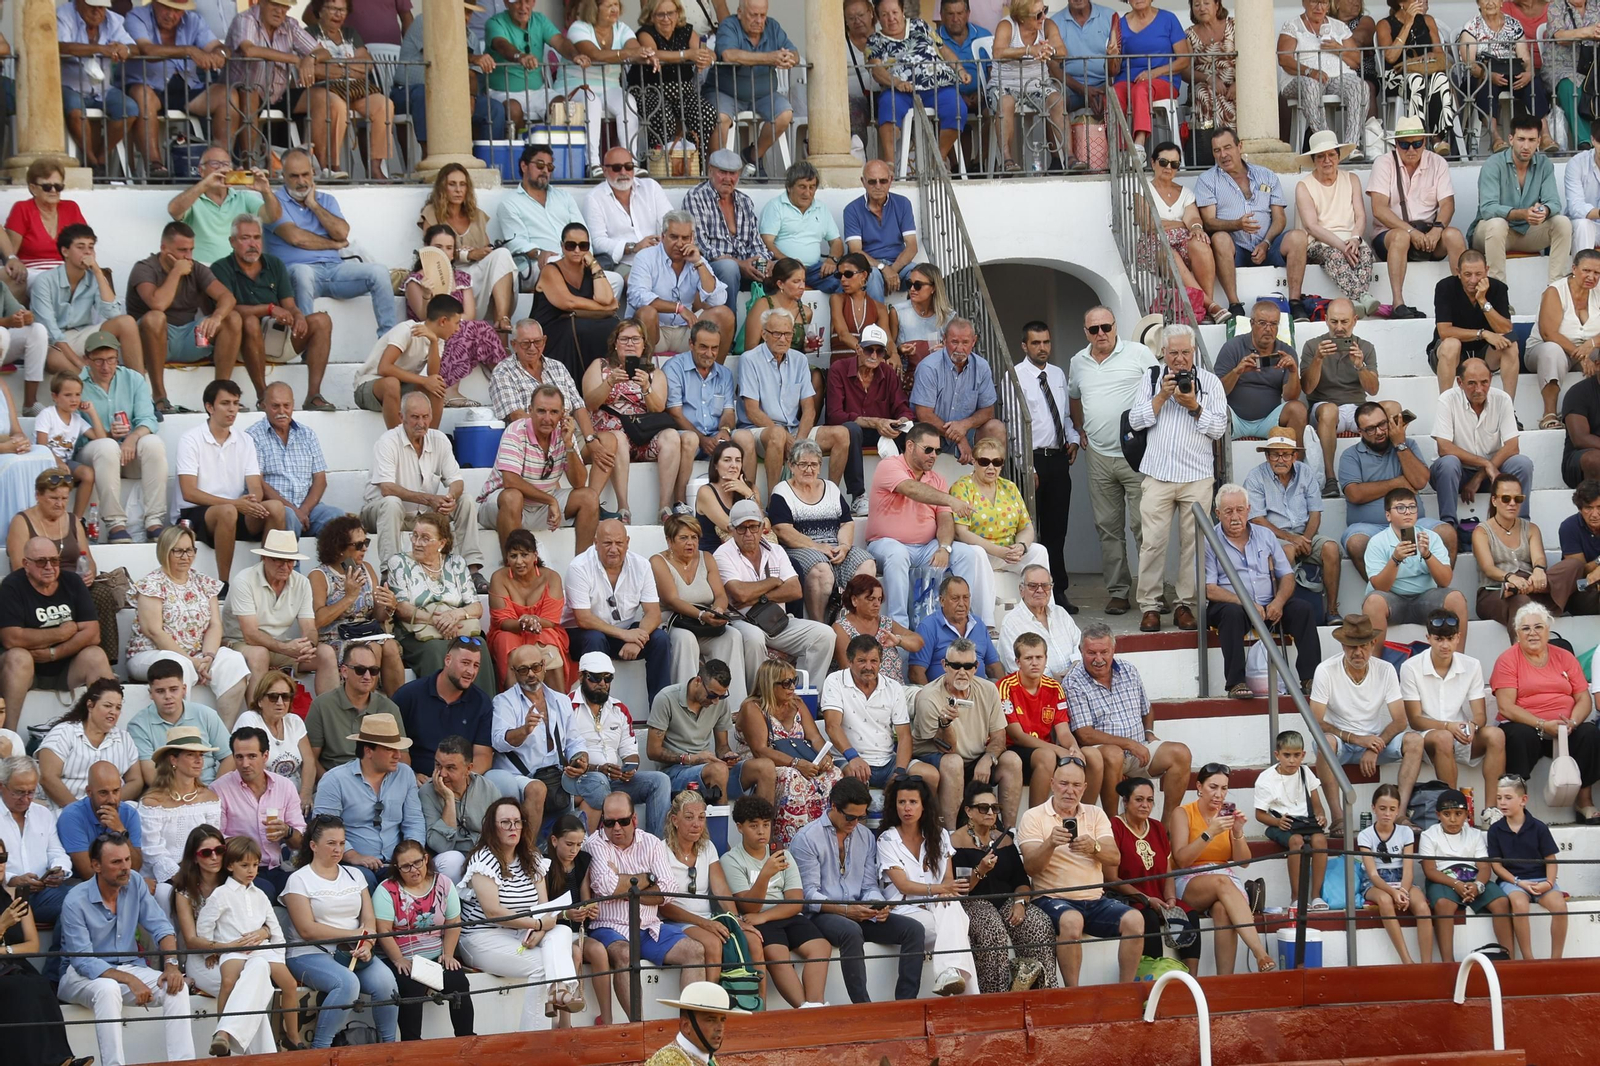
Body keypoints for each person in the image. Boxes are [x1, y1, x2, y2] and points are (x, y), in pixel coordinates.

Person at [57, 834, 194, 1066]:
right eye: (116, 862)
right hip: (79, 976)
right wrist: (129, 979)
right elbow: (83, 961)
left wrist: (171, 965)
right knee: (108, 988)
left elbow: (161, 926)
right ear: (96, 865)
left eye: (127, 859)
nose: (125, 867)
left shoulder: (135, 882)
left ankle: (183, 1063)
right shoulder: (75, 900)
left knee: (176, 988)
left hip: (128, 968)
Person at [789, 776, 925, 1001]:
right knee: (850, 931)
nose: (855, 823)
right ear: (833, 806)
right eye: (850, 817)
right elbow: (808, 895)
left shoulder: (865, 836)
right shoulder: (807, 838)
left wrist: (878, 905)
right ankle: (863, 1006)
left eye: (861, 817)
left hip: (858, 911)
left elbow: (869, 885)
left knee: (914, 930)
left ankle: (906, 1004)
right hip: (821, 914)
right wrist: (845, 910)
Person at [1129, 324, 1226, 633]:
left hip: (1197, 477)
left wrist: (1194, 406)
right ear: (1164, 353)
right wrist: (1161, 397)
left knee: (1193, 545)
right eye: (1174, 353)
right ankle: (1150, 606)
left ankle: (1186, 605)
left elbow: (1219, 429)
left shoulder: (1210, 382)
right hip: (1158, 475)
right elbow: (1134, 420)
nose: (1180, 359)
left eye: (1185, 352)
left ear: (1193, 351)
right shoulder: (1151, 378)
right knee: (1152, 544)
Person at [1017, 756, 1140, 985]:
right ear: (1052, 784)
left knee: (1135, 919)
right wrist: (1050, 844)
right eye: (1064, 783)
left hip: (1094, 899)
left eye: (1076, 785)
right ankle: (1073, 992)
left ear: (1084, 788)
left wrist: (1094, 847)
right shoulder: (1033, 816)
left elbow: (1114, 857)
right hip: (1052, 898)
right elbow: (1031, 867)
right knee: (1072, 921)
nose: (1069, 791)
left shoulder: (1095, 813)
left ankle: (1126, 990)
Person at [584, 791, 709, 1018]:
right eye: (609, 823)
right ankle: (638, 1026)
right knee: (624, 954)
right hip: (609, 927)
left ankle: (690, 1024)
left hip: (649, 927)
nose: (616, 828)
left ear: (634, 819)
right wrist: (648, 879)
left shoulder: (650, 842)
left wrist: (625, 886)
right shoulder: (595, 843)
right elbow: (606, 887)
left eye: (623, 821)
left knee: (695, 950)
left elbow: (668, 890)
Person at [1067, 307, 1156, 615]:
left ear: (1115, 326)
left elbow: (1159, 389)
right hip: (1099, 457)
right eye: (1094, 329)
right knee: (1108, 528)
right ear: (1086, 332)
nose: (1101, 333)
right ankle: (1118, 592)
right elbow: (1074, 397)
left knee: (1144, 526)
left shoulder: (1139, 354)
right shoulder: (1078, 362)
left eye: (1106, 326)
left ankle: (1152, 594)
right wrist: (1080, 429)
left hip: (1137, 455)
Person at [282, 815, 400, 1046]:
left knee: (387, 983)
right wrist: (354, 935)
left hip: (353, 950)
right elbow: (307, 930)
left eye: (342, 843)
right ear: (313, 845)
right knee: (347, 983)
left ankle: (390, 1049)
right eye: (331, 843)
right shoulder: (298, 879)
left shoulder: (355, 874)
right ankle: (321, 1050)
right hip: (308, 953)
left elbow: (369, 919)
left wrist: (367, 944)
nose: (338, 849)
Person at [864, 421, 987, 627]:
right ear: (910, 446)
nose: (933, 455)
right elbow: (912, 489)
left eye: (937, 451)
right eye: (928, 449)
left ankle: (962, 620)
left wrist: (944, 547)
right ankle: (898, 625)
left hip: (925, 548)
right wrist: (950, 500)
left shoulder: (937, 479)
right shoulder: (889, 466)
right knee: (897, 553)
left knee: (966, 553)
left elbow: (945, 519)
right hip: (885, 544)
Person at [1205, 483, 1322, 698]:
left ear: (1249, 510)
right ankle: (1236, 683)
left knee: (1303, 609)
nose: (1235, 517)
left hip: (1269, 606)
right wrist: (1246, 603)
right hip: (1233, 606)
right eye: (1228, 511)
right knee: (1231, 614)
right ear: (1217, 513)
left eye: (1240, 510)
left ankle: (1310, 678)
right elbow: (1210, 589)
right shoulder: (1209, 540)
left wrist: (1278, 602)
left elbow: (1287, 576)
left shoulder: (1265, 535)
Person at [264, 150, 397, 337]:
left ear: (313, 173)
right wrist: (333, 245)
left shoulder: (326, 200)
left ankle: (389, 341)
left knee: (379, 272)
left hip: (335, 270)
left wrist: (314, 205)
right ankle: (306, 343)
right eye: (294, 176)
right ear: (283, 176)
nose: (301, 181)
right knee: (302, 273)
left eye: (305, 174)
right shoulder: (273, 203)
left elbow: (342, 232)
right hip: (298, 273)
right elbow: (296, 238)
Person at [1310, 615, 1426, 830]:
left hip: (1374, 742)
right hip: (1341, 743)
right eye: (1352, 646)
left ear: (1373, 643)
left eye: (1363, 646)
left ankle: (1399, 814)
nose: (1358, 652)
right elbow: (1315, 721)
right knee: (1325, 742)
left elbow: (1400, 720)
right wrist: (1356, 739)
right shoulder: (1326, 670)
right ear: (1343, 646)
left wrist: (1374, 746)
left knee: (1415, 741)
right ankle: (1338, 818)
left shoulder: (1385, 669)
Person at [717, 499, 852, 681]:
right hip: (742, 621)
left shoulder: (776, 550)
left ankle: (808, 692)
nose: (748, 533)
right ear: (731, 529)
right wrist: (773, 581)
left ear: (762, 527)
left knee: (824, 634)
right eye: (742, 528)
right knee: (754, 637)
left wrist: (757, 597)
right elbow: (740, 593)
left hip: (776, 621)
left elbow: (795, 590)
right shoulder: (723, 554)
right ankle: (757, 694)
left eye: (753, 527)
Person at [1067, 623, 1193, 815]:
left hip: (1139, 749)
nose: (1098, 659)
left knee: (1181, 753)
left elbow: (1146, 708)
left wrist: (1148, 732)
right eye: (1091, 653)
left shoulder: (1128, 669)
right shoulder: (1074, 682)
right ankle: (1112, 824)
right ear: (1081, 651)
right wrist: (1128, 744)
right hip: (1103, 755)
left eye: (1104, 652)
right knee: (1114, 754)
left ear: (1113, 649)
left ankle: (1167, 825)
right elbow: (1085, 735)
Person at [1491, 602, 1600, 822]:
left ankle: (1584, 802)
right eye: (1525, 628)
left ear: (1548, 630)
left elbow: (1583, 698)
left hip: (1565, 729)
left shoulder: (1565, 657)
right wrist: (1541, 724)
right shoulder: (1507, 660)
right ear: (1517, 633)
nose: (1532, 633)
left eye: (1538, 627)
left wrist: (1573, 722)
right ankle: (1517, 805)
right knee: (1519, 735)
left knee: (1589, 734)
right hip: (1528, 726)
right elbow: (1506, 706)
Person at [720, 795, 833, 1007]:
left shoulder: (783, 855)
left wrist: (764, 917)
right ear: (739, 827)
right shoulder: (731, 860)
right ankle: (804, 1008)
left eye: (766, 824)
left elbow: (796, 902)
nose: (761, 831)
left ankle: (815, 1005)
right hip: (759, 919)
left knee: (821, 947)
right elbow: (748, 906)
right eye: (754, 826)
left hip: (778, 916)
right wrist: (765, 874)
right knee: (776, 953)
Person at [364, 392, 486, 587]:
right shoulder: (387, 441)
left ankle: (472, 570)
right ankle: (390, 573)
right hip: (380, 513)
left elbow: (456, 481)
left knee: (465, 500)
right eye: (415, 417)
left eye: (425, 417)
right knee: (391, 503)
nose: (421, 423)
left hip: (423, 515)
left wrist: (450, 497)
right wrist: (430, 499)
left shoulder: (439, 440)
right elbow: (387, 488)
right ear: (401, 417)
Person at [1165, 763, 1276, 973]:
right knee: (1222, 882)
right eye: (1213, 787)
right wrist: (1210, 833)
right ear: (1199, 787)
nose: (1219, 794)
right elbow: (1182, 860)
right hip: (1190, 879)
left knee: (1223, 910)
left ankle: (1225, 980)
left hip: (1223, 879)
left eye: (1224, 788)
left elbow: (1243, 862)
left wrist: (1238, 832)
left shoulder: (1226, 813)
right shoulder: (1183, 813)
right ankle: (1259, 952)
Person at [127, 220, 245, 416]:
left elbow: (227, 297)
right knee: (155, 317)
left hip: (188, 336)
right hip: (153, 340)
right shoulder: (144, 268)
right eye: (182, 250)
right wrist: (176, 272)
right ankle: (159, 397)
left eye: (191, 250)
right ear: (164, 248)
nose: (188, 256)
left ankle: (221, 394)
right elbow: (158, 304)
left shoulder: (195, 268)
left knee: (232, 318)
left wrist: (216, 317)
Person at [875, 775, 979, 995]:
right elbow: (903, 886)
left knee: (952, 908)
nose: (907, 808)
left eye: (913, 802)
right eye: (902, 802)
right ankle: (962, 989)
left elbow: (948, 878)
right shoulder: (886, 839)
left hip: (936, 906)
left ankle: (948, 975)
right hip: (903, 910)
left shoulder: (940, 835)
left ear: (923, 806)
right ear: (895, 806)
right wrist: (941, 890)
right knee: (958, 926)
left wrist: (945, 892)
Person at [7, 468, 117, 669]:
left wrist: (90, 573)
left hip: (72, 584)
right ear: (38, 495)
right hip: (38, 584)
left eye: (64, 498)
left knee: (102, 594)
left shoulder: (73, 520)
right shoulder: (21, 521)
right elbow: (19, 567)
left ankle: (107, 662)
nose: (60, 503)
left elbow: (88, 558)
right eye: (53, 498)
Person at [0, 538, 112, 731]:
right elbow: (12, 638)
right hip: (26, 670)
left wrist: (54, 653)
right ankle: (8, 737)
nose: (49, 567)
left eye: (54, 560)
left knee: (96, 655)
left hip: (66, 666)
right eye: (41, 561)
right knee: (18, 657)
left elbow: (92, 634)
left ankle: (104, 735)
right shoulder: (12, 585)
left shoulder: (72, 581)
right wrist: (61, 633)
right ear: (26, 564)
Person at [177, 379, 284, 581]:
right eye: (225, 403)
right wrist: (235, 504)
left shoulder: (245, 439)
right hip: (197, 512)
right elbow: (189, 492)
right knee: (227, 511)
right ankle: (223, 583)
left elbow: (255, 486)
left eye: (236, 403)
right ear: (210, 407)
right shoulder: (190, 439)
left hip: (235, 509)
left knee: (276, 507)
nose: (232, 409)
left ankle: (268, 579)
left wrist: (251, 502)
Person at [583, 319, 687, 525]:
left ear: (643, 344)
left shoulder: (654, 373)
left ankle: (664, 508)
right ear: (615, 343)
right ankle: (624, 508)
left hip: (643, 438)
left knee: (671, 436)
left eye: (635, 339)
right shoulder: (600, 366)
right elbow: (590, 403)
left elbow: (658, 408)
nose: (630, 344)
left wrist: (646, 387)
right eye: (624, 339)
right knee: (618, 437)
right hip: (612, 438)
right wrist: (610, 382)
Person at [1198, 128, 1307, 318]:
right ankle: (1234, 304)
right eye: (1217, 150)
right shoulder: (1207, 180)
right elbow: (1209, 223)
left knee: (1298, 237)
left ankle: (1295, 303)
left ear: (1239, 146)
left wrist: (1266, 243)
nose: (1223, 155)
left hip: (1268, 246)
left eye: (1227, 147)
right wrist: (1237, 224)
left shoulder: (1266, 175)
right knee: (1220, 238)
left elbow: (1280, 218)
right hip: (1236, 249)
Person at [373, 838, 474, 1042]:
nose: (414, 870)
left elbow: (453, 921)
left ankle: (466, 1041)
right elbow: (383, 930)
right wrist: (399, 959)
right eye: (406, 866)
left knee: (458, 981)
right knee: (411, 987)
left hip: (436, 955)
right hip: (401, 956)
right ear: (397, 868)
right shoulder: (387, 890)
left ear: (426, 859)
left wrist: (448, 954)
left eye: (417, 862)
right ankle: (411, 1044)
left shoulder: (443, 883)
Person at [1339, 401, 1455, 579]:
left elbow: (1420, 481)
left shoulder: (1408, 445)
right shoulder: (1350, 455)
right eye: (1370, 429)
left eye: (1382, 424)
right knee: (1356, 543)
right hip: (1370, 528)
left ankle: (1437, 588)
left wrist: (1400, 444)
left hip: (1411, 525)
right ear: (1360, 432)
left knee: (1448, 533)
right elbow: (1355, 494)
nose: (1379, 432)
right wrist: (1399, 482)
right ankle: (1382, 590)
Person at [29, 225, 146, 401]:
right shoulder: (45, 281)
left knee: (127, 322)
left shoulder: (94, 278)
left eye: (91, 247)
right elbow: (51, 331)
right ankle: (95, 393)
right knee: (53, 359)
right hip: (52, 343)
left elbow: (114, 313)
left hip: (81, 334)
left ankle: (141, 394)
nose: (87, 252)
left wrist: (98, 272)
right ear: (65, 251)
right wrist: (80, 363)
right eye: (80, 247)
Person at [480, 384, 601, 553]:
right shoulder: (515, 431)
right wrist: (550, 500)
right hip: (502, 507)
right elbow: (510, 481)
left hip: (542, 506)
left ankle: (582, 565)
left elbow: (579, 483)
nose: (547, 418)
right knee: (512, 497)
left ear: (562, 414)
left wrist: (569, 445)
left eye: (554, 412)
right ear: (530, 411)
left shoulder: (565, 433)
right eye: (541, 411)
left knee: (589, 497)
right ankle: (512, 564)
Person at [1403, 610, 1506, 805]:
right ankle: (1451, 808)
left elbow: (1480, 714)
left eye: (1450, 639)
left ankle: (1492, 809)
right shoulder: (1411, 667)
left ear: (1458, 637)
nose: (1445, 645)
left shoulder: (1472, 665)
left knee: (1496, 735)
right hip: (1427, 737)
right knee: (1444, 737)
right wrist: (1448, 726)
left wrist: (1473, 725)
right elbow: (1415, 720)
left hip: (1460, 733)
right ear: (1428, 638)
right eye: (1438, 639)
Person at [565, 519, 676, 700]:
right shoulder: (579, 567)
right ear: (596, 543)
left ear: (627, 542)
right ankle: (596, 705)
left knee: (660, 639)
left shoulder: (641, 565)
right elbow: (583, 619)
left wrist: (637, 640)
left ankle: (660, 709)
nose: (614, 549)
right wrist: (625, 635)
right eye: (607, 543)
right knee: (595, 637)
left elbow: (654, 613)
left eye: (619, 543)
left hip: (623, 633)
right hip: (584, 635)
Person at [1368, 116, 1466, 319]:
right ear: (1396, 144)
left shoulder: (1437, 162)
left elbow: (1448, 204)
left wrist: (1437, 229)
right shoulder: (1383, 163)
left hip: (1429, 234)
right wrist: (1410, 231)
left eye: (1417, 143)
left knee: (1454, 236)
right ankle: (1398, 303)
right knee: (1400, 237)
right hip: (1391, 235)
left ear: (1425, 141)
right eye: (1404, 144)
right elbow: (1379, 209)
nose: (1411, 149)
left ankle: (1465, 300)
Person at [311, 713, 423, 889]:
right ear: (369, 751)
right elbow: (323, 829)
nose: (398, 755)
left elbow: (414, 821)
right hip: (350, 863)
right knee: (364, 878)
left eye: (398, 749)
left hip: (397, 861)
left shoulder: (405, 774)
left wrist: (412, 854)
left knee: (422, 875)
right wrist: (353, 856)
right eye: (390, 749)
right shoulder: (334, 780)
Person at [914, 638, 1019, 825]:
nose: (962, 672)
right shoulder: (929, 696)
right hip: (940, 759)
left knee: (1012, 760)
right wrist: (945, 724)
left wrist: (988, 759)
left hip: (975, 759)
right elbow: (948, 749)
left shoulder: (988, 689)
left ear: (976, 667)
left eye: (968, 666)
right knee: (953, 762)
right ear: (945, 665)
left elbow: (999, 738)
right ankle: (951, 833)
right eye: (956, 666)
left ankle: (1010, 832)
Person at [738, 659, 842, 848]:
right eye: (786, 683)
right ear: (770, 684)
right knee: (792, 777)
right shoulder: (753, 707)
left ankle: (828, 840)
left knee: (834, 773)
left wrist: (825, 756)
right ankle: (790, 843)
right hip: (765, 764)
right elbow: (760, 749)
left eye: (794, 681)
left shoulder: (797, 703)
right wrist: (796, 763)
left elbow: (814, 737)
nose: (793, 687)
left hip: (800, 762)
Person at [74, 334, 167, 544]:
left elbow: (148, 419)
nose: (106, 366)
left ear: (118, 357)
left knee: (153, 443)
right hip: (94, 454)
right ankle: (115, 524)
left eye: (111, 359)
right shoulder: (78, 385)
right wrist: (107, 435)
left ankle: (154, 521)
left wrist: (132, 438)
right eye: (99, 360)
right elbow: (74, 434)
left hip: (128, 453)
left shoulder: (133, 379)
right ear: (87, 359)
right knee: (107, 447)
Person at [565, 652, 671, 835]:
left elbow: (630, 752)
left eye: (608, 678)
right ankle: (589, 845)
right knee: (599, 782)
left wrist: (629, 769)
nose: (602, 684)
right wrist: (598, 769)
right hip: (582, 779)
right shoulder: (567, 707)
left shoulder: (619, 709)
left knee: (660, 781)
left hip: (613, 778)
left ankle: (657, 844)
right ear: (581, 676)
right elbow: (563, 757)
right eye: (595, 678)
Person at [1244, 428, 1343, 622]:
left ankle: (1332, 611)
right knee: (1287, 551)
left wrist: (1305, 539)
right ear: (1267, 456)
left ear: (1294, 456)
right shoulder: (1255, 477)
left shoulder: (1305, 472)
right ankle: (1284, 612)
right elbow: (1257, 520)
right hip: (1272, 538)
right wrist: (1291, 539)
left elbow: (1315, 512)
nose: (1280, 459)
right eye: (1275, 454)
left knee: (1331, 548)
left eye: (1286, 454)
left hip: (1305, 535)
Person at [0, 842, 86, 1066]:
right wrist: (3, 924)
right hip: (8, 971)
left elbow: (32, 944)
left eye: (2, 858)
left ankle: (63, 1059)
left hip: (13, 964)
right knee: (21, 988)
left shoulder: (15, 896)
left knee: (41, 984)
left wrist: (4, 951)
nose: (0, 865)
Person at [404, 229, 511, 406]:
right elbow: (423, 316)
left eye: (449, 248)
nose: (444, 252)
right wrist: (427, 294)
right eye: (438, 247)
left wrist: (452, 321)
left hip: (455, 328)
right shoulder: (415, 280)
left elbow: (469, 314)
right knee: (461, 327)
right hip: (427, 333)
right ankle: (449, 388)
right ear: (427, 248)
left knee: (479, 327)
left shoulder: (461, 278)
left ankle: (505, 378)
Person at [770, 439, 875, 619]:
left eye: (814, 464)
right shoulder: (782, 491)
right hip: (800, 549)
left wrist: (844, 546)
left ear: (819, 466)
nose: (809, 469)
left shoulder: (831, 488)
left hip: (834, 547)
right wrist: (818, 547)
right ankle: (820, 623)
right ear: (791, 466)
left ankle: (849, 619)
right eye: (803, 464)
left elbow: (846, 523)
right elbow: (782, 530)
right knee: (821, 569)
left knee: (867, 563)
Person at [224, 530, 337, 695]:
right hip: (240, 644)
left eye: (290, 560)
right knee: (259, 654)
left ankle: (329, 711)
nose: (285, 566)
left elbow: (309, 628)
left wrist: (309, 646)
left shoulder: (302, 583)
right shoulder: (244, 580)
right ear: (264, 558)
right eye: (278, 560)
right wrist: (285, 648)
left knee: (326, 653)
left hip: (279, 645)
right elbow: (250, 635)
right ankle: (257, 711)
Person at [1110, 777, 1203, 974]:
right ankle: (1153, 975)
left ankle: (1192, 978)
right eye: (1139, 799)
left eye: (1150, 800)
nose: (1145, 805)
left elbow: (1167, 869)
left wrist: (1170, 898)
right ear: (1125, 801)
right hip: (1129, 898)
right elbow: (1112, 878)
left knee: (1190, 914)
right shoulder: (1114, 827)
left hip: (1159, 897)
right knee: (1149, 918)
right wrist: (1146, 899)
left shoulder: (1157, 827)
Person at [652, 514, 747, 704]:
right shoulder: (658, 561)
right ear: (669, 540)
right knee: (685, 639)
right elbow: (671, 599)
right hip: (674, 621)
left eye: (694, 537)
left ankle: (734, 707)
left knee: (732, 636)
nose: (690, 543)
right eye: (683, 538)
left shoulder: (707, 558)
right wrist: (702, 615)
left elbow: (720, 595)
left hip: (704, 624)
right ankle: (685, 703)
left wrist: (718, 610)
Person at [822, 635, 939, 790]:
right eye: (862, 661)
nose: (868, 667)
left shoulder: (893, 687)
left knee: (930, 775)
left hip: (888, 761)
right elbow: (832, 726)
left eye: (874, 661)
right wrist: (853, 757)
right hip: (848, 759)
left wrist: (900, 772)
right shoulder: (835, 681)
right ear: (850, 661)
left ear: (880, 662)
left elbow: (904, 736)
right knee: (852, 777)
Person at [225, 0, 332, 168]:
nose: (279, 11)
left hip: (278, 94)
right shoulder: (246, 19)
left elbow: (323, 52)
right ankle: (249, 165)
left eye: (284, 6)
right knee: (250, 91)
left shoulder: (290, 24)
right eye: (275, 4)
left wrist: (310, 59)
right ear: (261, 2)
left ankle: (320, 167)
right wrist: (294, 59)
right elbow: (249, 50)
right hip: (241, 94)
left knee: (322, 97)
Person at [648, 661, 775, 801]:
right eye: (712, 695)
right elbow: (653, 751)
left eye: (722, 696)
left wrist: (727, 755)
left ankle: (763, 816)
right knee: (718, 770)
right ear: (698, 681)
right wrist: (690, 758)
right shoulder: (666, 698)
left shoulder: (720, 702)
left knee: (766, 766)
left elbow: (722, 746)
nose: (716, 701)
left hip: (709, 769)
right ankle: (722, 815)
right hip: (675, 772)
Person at [300, 0, 397, 180]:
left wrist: (336, 67)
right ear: (320, 10)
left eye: (343, 10)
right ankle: (333, 165)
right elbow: (314, 70)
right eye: (333, 9)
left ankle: (376, 167)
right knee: (337, 106)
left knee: (384, 105)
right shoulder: (309, 33)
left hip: (354, 89)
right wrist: (351, 67)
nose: (338, 14)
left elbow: (367, 64)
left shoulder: (351, 34)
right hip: (324, 89)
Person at [488, 643, 580, 833]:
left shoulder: (561, 700)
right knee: (537, 789)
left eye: (535, 667)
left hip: (554, 774)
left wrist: (580, 757)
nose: (531, 674)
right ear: (514, 671)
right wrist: (524, 730)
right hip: (518, 775)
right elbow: (498, 741)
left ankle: (576, 844)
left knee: (595, 784)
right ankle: (528, 849)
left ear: (544, 665)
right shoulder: (504, 701)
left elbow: (574, 741)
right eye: (523, 670)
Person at [867, 0, 971, 166]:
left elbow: (943, 50)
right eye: (885, 15)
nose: (891, 18)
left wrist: (960, 70)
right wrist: (897, 82)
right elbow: (876, 70)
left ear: (902, 11)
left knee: (957, 108)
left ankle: (937, 159)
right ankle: (890, 163)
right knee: (888, 106)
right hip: (900, 91)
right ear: (878, 18)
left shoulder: (920, 25)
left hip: (938, 86)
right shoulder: (874, 40)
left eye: (894, 12)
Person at [1470, 114, 1572, 284]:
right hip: (1492, 234)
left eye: (1531, 140)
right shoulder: (1493, 164)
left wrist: (1543, 211)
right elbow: (1487, 209)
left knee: (1562, 223)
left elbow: (1554, 203)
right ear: (1511, 139)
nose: (1526, 146)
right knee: (1497, 224)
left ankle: (1556, 288)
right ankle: (1498, 291)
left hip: (1528, 232)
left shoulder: (1544, 165)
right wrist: (1522, 214)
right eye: (1521, 139)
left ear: (1539, 141)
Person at [1363, 486, 1469, 649]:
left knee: (1456, 598)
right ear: (1388, 515)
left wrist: (1427, 555)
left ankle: (1458, 660)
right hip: (1392, 599)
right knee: (1373, 602)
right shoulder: (1377, 542)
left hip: (1425, 598)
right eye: (1400, 508)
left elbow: (1445, 581)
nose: (1407, 512)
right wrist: (1395, 559)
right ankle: (1375, 663)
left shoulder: (1431, 537)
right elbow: (1380, 587)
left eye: (1412, 507)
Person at [627, 211, 737, 364]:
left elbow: (718, 300)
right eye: (674, 237)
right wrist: (678, 308)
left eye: (685, 238)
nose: (679, 243)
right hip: (655, 332)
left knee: (725, 315)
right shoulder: (645, 257)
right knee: (647, 312)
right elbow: (637, 296)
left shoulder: (697, 259)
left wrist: (699, 264)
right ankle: (643, 370)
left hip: (686, 331)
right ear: (663, 236)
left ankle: (716, 374)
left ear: (692, 238)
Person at [309, 516, 402, 694]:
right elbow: (317, 620)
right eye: (359, 545)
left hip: (366, 632)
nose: (365, 548)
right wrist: (349, 598)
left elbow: (377, 615)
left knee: (390, 646)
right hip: (335, 637)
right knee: (372, 649)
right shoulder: (320, 576)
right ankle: (365, 704)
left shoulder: (366, 569)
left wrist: (389, 606)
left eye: (366, 542)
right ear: (339, 547)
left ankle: (398, 704)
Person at [418, 163, 517, 330]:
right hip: (449, 276)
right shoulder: (431, 213)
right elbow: (431, 254)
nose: (458, 190)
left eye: (462, 184)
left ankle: (502, 319)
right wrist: (467, 255)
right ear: (443, 188)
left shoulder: (476, 214)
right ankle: (500, 328)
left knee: (502, 255)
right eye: (452, 184)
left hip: (475, 273)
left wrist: (484, 251)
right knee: (497, 269)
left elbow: (486, 249)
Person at [214, 724, 307, 901]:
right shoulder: (220, 789)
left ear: (265, 756)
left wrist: (287, 832)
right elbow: (216, 840)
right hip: (239, 871)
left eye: (252, 756)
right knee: (265, 892)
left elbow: (300, 841)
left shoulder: (285, 786)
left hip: (276, 867)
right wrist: (241, 846)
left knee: (303, 891)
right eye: (239, 757)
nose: (245, 764)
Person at [1419, 788, 1514, 962]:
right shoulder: (1429, 835)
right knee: (1443, 904)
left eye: (1458, 813)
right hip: (1443, 879)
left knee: (1501, 901)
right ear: (1438, 815)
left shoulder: (1474, 834)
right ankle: (1448, 962)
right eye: (1446, 814)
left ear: (1467, 814)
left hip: (1473, 878)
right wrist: (1456, 884)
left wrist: (1478, 885)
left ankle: (1509, 958)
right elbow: (1430, 870)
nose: (1453, 819)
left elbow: (1484, 867)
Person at [705, 0, 798, 178]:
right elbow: (729, 54)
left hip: (764, 95)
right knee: (720, 119)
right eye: (753, 15)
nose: (759, 20)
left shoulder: (773, 27)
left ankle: (753, 156)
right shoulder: (729, 25)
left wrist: (789, 57)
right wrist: (770, 57)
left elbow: (795, 53)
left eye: (762, 15)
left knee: (785, 114)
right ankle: (717, 171)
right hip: (725, 93)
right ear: (740, 13)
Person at [666, 322, 756, 500]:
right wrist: (702, 439)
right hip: (687, 435)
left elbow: (728, 412)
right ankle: (680, 502)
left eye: (714, 348)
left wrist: (725, 430)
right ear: (691, 344)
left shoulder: (724, 374)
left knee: (745, 437)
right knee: (691, 440)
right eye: (703, 347)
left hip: (715, 437)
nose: (709, 353)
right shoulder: (674, 367)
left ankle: (747, 498)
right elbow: (674, 412)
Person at [1301, 301, 1381, 493]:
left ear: (1354, 321)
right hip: (1324, 408)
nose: (1339, 328)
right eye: (1334, 321)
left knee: (1392, 408)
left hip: (1356, 409)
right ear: (1326, 320)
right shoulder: (1312, 346)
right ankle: (1330, 478)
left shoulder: (1365, 347)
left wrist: (1360, 366)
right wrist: (1318, 359)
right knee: (1330, 410)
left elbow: (1373, 390)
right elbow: (1307, 388)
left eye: (1344, 322)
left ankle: (1385, 473)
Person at [247, 384, 341, 543]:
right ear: (264, 405)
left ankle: (329, 561)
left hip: (307, 509)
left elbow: (320, 479)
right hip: (276, 510)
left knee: (337, 518)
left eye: (286, 405)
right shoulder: (253, 436)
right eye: (275, 406)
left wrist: (304, 510)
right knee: (288, 515)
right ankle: (290, 560)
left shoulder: (307, 434)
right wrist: (294, 511)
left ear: (293, 405)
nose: (282, 411)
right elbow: (259, 482)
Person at [354, 293, 463, 430]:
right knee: (392, 383)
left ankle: (431, 438)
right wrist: (423, 381)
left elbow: (433, 375)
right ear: (443, 321)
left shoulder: (438, 340)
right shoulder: (406, 330)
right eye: (457, 323)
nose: (458, 329)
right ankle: (398, 439)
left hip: (400, 387)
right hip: (368, 387)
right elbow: (384, 368)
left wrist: (434, 342)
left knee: (437, 388)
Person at [1487, 775, 1567, 959]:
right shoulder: (1495, 830)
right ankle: (1528, 959)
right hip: (1513, 882)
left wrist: (1548, 883)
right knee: (1519, 904)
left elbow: (1551, 860)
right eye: (1499, 798)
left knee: (1560, 906)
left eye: (1508, 798)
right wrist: (1518, 882)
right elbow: (1497, 866)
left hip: (1541, 880)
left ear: (1523, 800)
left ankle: (1557, 960)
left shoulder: (1539, 827)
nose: (1502, 802)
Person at [491, 143, 587, 296]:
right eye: (540, 165)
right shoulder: (510, 203)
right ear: (524, 166)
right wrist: (539, 253)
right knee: (555, 266)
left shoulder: (564, 197)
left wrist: (586, 256)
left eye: (550, 167)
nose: (545, 171)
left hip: (573, 259)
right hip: (535, 265)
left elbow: (583, 231)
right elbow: (516, 242)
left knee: (615, 280)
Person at [1473, 471, 1564, 634]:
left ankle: (1524, 589)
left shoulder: (1531, 528)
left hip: (1531, 587)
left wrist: (1538, 570)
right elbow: (1488, 568)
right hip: (1495, 592)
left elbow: (1539, 557)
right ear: (1494, 500)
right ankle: (1521, 650)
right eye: (1506, 498)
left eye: (1518, 499)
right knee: (1521, 602)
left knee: (1573, 566)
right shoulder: (1482, 531)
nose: (1512, 503)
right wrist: (1510, 577)